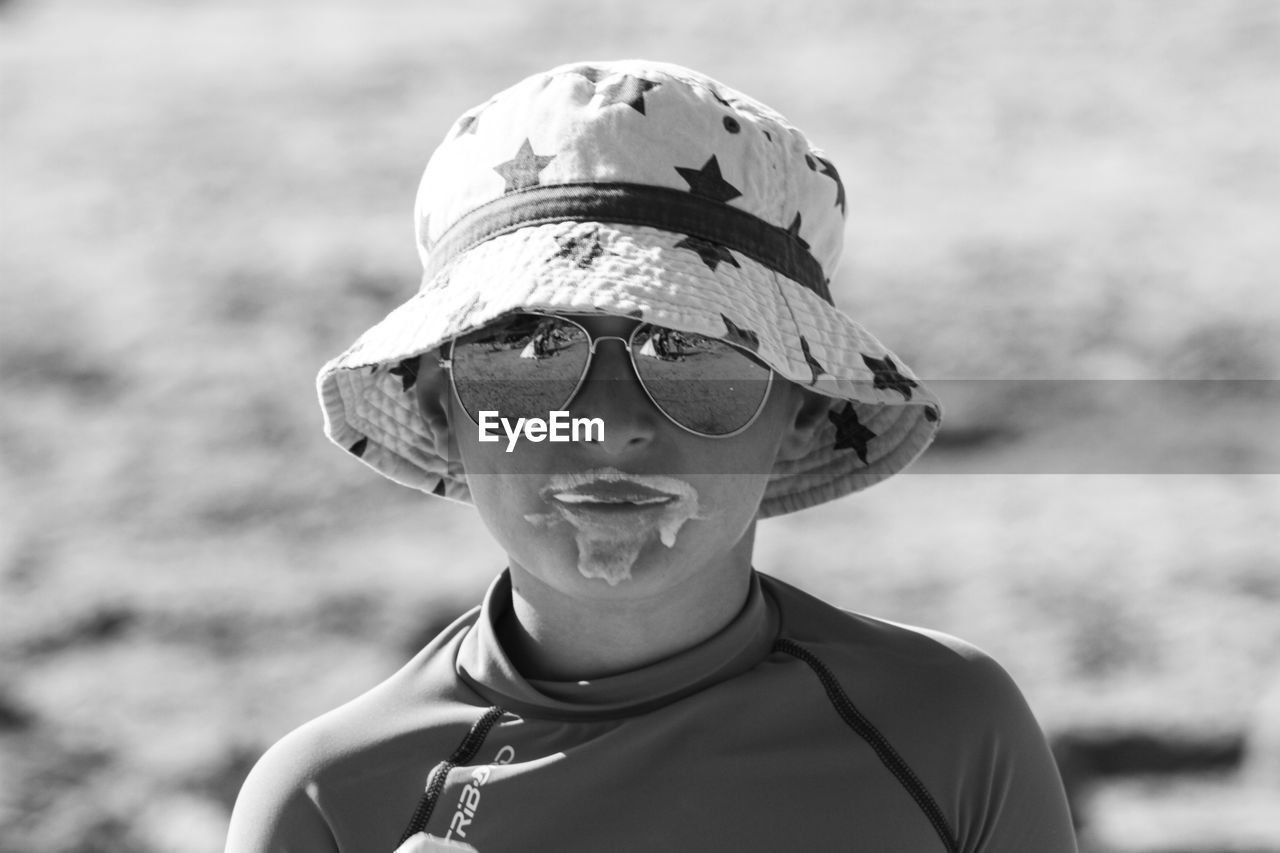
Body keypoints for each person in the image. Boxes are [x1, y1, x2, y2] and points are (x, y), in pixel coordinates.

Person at [226, 59, 1078, 852]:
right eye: (527, 350)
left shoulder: (948, 729)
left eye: (692, 351)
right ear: (439, 407)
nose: (608, 424)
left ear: (804, 410)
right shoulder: (328, 801)